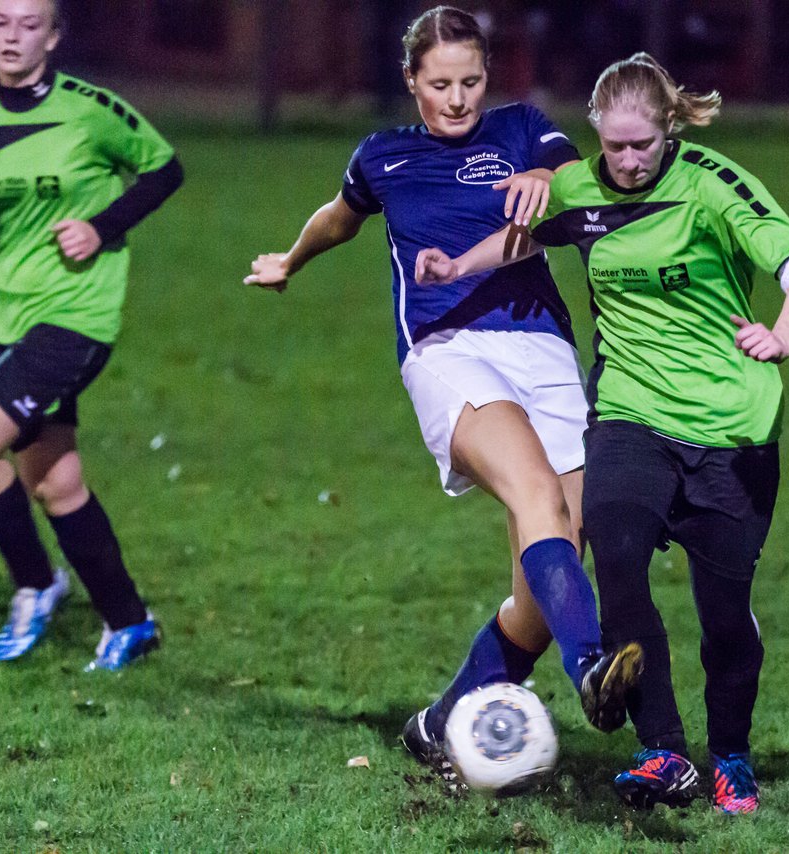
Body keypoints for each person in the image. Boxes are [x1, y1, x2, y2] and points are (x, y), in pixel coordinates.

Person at [416, 52, 789, 814]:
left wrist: (784, 333)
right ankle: (663, 750)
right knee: (612, 545)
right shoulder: (582, 187)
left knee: (723, 616)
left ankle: (731, 758)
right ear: (598, 136)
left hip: (729, 428)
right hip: (630, 414)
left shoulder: (712, 184)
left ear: (668, 128)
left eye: (643, 145)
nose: (629, 161)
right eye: (615, 147)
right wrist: (454, 270)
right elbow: (530, 237)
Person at [244, 6, 641, 784]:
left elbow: (573, 174)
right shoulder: (383, 156)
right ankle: (591, 667)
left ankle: (439, 723)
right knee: (533, 494)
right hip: (447, 350)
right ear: (411, 83)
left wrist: (542, 176)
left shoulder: (524, 128)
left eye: (470, 82)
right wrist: (291, 260)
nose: (457, 100)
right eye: (439, 85)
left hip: (543, 349)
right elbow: (337, 219)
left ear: (488, 79)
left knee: (541, 585)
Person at [0, 0, 182, 669]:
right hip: (8, 314)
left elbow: (163, 169)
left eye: (29, 23)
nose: (13, 35)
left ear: (55, 36)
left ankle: (37, 584)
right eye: (0, 21)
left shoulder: (89, 108)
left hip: (75, 315)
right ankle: (129, 621)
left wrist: (102, 225)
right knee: (54, 480)